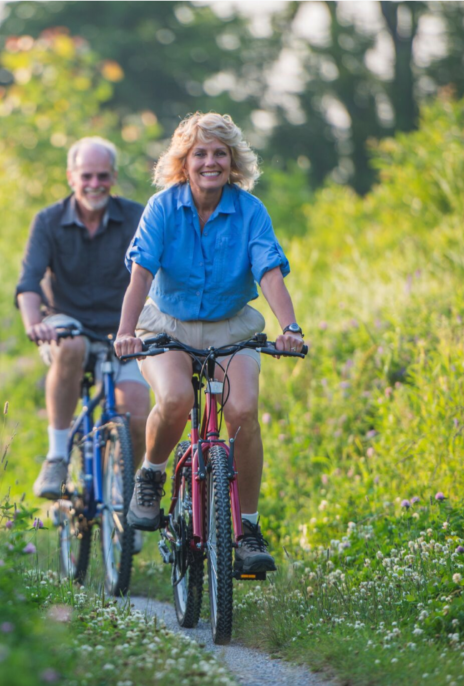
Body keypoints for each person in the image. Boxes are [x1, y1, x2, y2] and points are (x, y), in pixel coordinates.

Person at [113, 113, 306, 574]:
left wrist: (291, 328)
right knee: (176, 398)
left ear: (233, 160)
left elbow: (269, 272)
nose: (210, 162)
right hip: (167, 325)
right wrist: (124, 332)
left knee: (242, 411)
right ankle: (152, 474)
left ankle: (247, 528)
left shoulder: (250, 211)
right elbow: (140, 274)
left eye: (220, 153)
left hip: (231, 326)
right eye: (200, 153)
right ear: (184, 161)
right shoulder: (162, 208)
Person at [16, 137, 152, 501]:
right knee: (70, 343)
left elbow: (161, 273)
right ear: (71, 177)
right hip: (67, 325)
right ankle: (58, 455)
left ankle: (120, 493)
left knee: (138, 414)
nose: (95, 184)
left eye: (103, 176)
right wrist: (34, 324)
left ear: (114, 176)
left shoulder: (137, 217)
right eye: (87, 176)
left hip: (126, 331)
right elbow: (29, 283)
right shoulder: (47, 221)